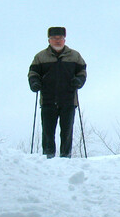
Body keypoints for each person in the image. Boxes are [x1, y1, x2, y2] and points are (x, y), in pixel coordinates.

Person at [28, 27, 87, 158]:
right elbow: (33, 73)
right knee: (48, 132)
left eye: (60, 38)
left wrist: (79, 81)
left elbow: (82, 72)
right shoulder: (40, 57)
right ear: (49, 40)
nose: (57, 41)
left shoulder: (75, 56)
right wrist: (34, 83)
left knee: (67, 132)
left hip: (69, 99)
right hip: (48, 100)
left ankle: (66, 158)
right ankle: (48, 158)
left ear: (64, 39)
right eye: (54, 38)